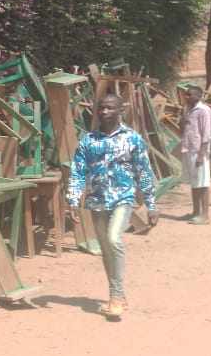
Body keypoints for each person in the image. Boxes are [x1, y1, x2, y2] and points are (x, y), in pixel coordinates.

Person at [67, 93, 158, 319]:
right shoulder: (88, 140)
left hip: (123, 198)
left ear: (120, 111)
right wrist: (73, 200)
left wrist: (151, 204)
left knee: (114, 239)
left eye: (109, 108)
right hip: (97, 200)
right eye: (101, 108)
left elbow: (144, 172)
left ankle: (116, 297)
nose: (104, 112)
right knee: (105, 248)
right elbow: (77, 172)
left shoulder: (132, 139)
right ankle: (118, 294)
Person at [179, 84, 211, 224]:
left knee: (203, 183)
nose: (186, 97)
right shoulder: (188, 110)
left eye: (189, 94)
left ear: (198, 96)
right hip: (188, 149)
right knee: (194, 182)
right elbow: (183, 129)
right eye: (186, 94)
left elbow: (206, 134)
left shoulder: (203, 110)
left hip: (198, 151)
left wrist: (201, 155)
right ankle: (195, 212)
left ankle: (205, 216)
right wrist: (182, 119)